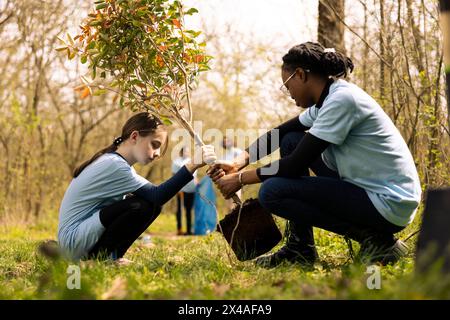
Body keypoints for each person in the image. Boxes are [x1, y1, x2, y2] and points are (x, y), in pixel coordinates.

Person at [208, 42, 422, 268]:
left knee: (272, 191)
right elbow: (281, 133)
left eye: (287, 86)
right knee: (291, 140)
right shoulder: (329, 99)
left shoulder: (341, 100)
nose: (288, 94)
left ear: (300, 75)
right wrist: (237, 163)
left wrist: (239, 179)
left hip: (389, 202)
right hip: (368, 190)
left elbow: (293, 165)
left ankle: (375, 239)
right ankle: (300, 247)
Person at [58, 112, 216, 263]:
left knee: (148, 205)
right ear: (135, 137)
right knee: (142, 205)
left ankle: (110, 256)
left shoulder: (116, 163)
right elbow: (158, 195)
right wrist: (193, 164)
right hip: (72, 242)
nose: (157, 154)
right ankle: (102, 258)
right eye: (155, 145)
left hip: (77, 239)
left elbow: (154, 199)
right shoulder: (114, 165)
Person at [172, 147, 198, 235]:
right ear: (181, 152)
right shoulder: (177, 162)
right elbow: (174, 176)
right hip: (181, 189)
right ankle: (179, 229)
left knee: (189, 210)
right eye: (185, 151)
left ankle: (189, 230)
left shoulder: (192, 161)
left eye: (188, 151)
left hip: (192, 189)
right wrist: (177, 188)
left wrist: (197, 185)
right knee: (180, 209)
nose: (186, 153)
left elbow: (195, 176)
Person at [220, 136, 243, 210]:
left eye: (228, 141)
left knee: (237, 201)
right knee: (229, 203)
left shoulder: (237, 151)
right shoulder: (224, 155)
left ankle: (239, 217)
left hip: (236, 178)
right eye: (225, 142)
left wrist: (241, 178)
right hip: (227, 180)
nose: (227, 143)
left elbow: (242, 164)